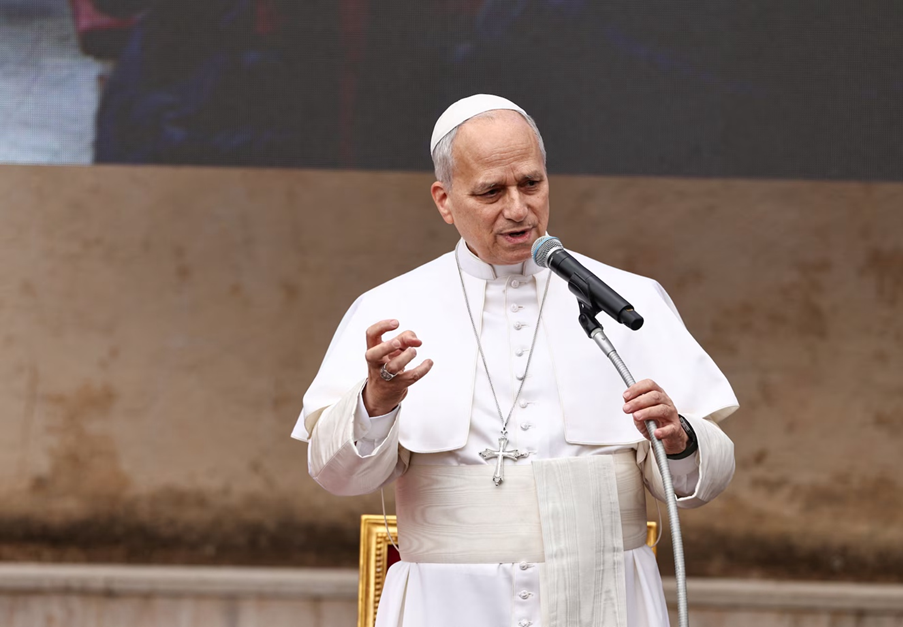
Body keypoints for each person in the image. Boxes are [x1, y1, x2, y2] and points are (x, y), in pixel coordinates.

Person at [291, 94, 738, 627]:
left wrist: (680, 440)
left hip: (606, 598)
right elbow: (337, 476)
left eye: (531, 184)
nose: (519, 209)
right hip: (448, 607)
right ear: (444, 200)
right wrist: (376, 403)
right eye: (491, 192)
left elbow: (700, 482)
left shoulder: (627, 300)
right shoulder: (389, 309)